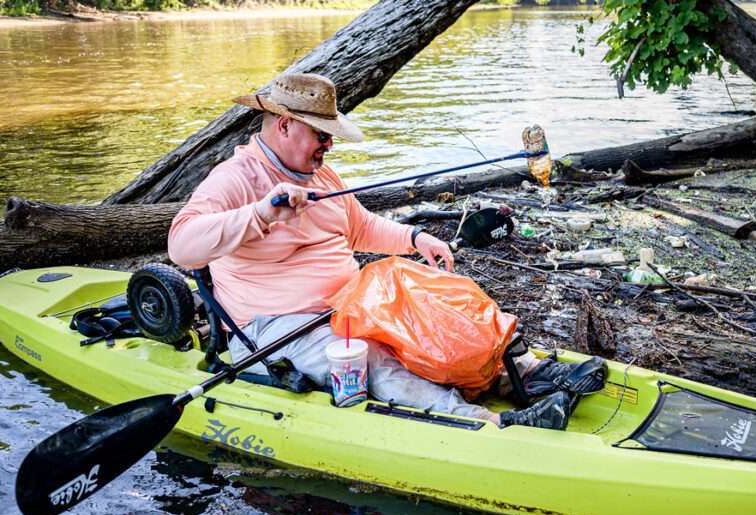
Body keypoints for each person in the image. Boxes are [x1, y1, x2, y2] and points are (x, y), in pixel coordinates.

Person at [168, 73, 604, 430]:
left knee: (441, 298)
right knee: (371, 355)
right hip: (276, 328)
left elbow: (360, 226)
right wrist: (261, 214)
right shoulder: (235, 178)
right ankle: (486, 422)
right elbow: (182, 246)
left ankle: (524, 372)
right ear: (284, 125)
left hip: (349, 302)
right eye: (322, 134)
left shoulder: (322, 176)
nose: (330, 144)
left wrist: (416, 240)